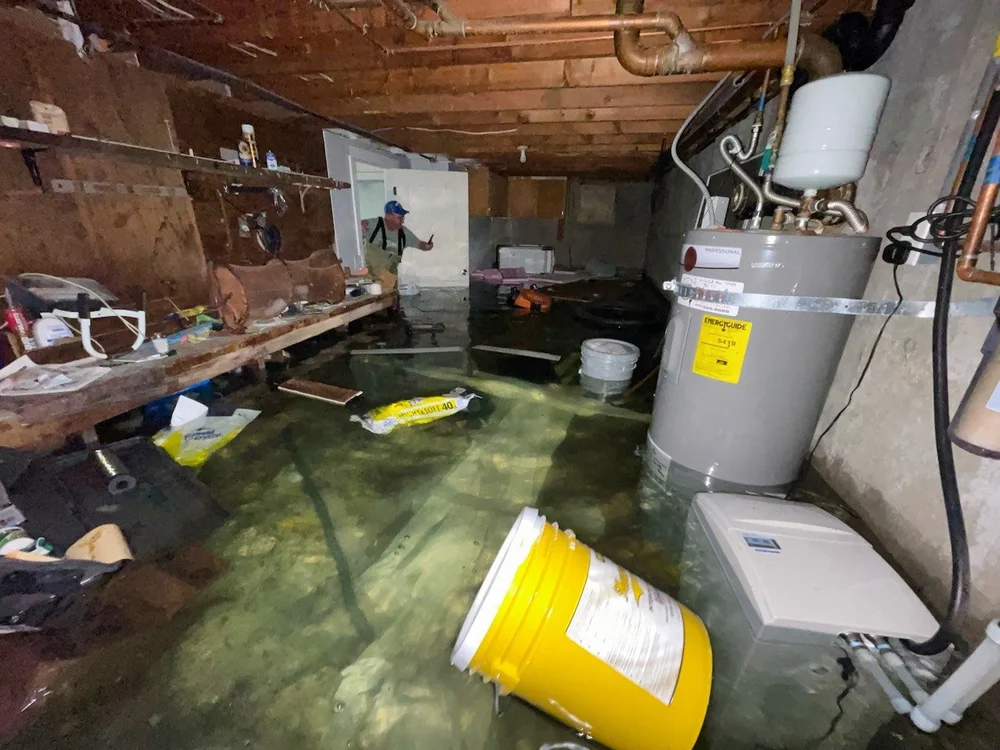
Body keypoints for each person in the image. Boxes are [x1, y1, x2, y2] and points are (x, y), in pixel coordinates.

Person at [360, 200, 433, 289]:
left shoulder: (404, 233)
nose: (402, 221)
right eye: (399, 218)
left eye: (403, 218)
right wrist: (361, 224)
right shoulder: (375, 225)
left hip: (390, 283)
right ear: (389, 216)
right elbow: (359, 224)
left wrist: (426, 246)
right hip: (370, 283)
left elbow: (419, 244)